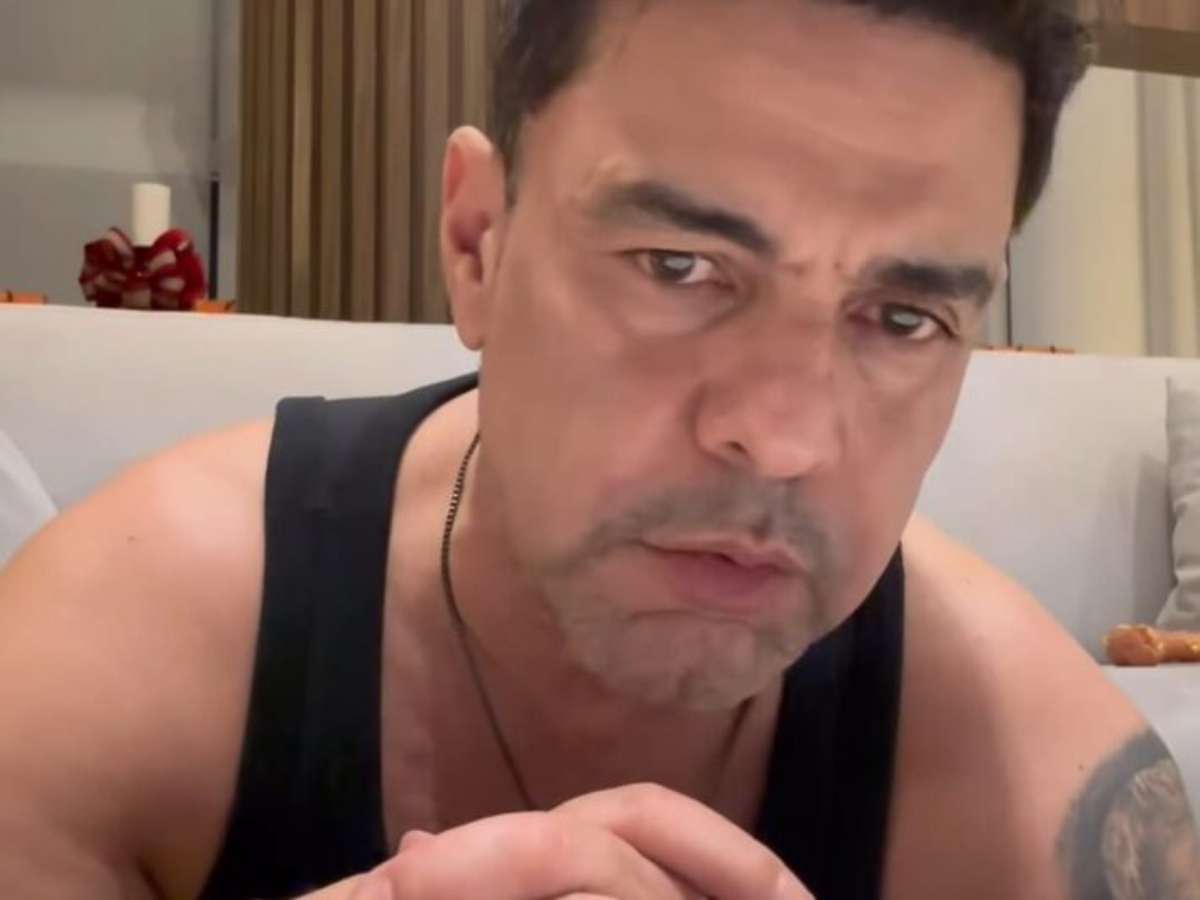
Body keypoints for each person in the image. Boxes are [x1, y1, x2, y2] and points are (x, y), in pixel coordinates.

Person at [2, 0, 1197, 897]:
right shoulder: (118, 664)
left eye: (903, 318)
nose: (782, 439)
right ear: (477, 243)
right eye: (679, 266)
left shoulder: (1035, 795)